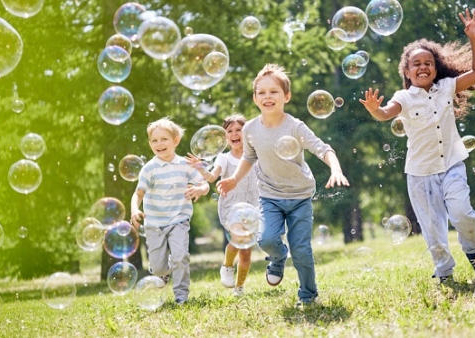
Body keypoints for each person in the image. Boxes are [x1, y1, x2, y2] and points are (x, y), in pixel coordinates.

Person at [359, 9, 475, 284]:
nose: (423, 67)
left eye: (428, 62)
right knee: (433, 230)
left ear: (436, 67)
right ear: (406, 71)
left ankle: (474, 254)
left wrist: (474, 39)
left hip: (452, 164)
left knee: (463, 214)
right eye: (416, 63)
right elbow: (386, 113)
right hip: (420, 174)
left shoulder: (446, 87)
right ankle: (444, 271)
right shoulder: (404, 97)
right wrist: (375, 109)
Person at [217, 63, 350, 307]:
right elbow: (249, 157)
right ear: (255, 98)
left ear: (286, 96)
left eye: (274, 91)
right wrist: (234, 179)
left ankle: (308, 296)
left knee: (302, 251)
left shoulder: (295, 126)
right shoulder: (250, 129)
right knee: (266, 239)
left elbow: (323, 148)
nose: (268, 96)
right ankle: (278, 257)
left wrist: (336, 168)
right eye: (262, 92)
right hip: (270, 196)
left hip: (299, 196)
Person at [131, 117, 210, 305]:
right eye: (154, 140)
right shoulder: (149, 169)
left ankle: (181, 295)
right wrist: (135, 209)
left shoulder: (185, 164)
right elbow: (138, 193)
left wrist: (200, 189)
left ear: (175, 141)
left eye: (164, 139)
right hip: (154, 223)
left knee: (180, 256)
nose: (159, 144)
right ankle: (163, 274)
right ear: (150, 143)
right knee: (158, 268)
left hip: (179, 220)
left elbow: (204, 183)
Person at [186, 114, 259, 297]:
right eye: (230, 131)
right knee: (237, 239)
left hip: (253, 206)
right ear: (225, 137)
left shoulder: (256, 155)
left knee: (246, 252)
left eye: (238, 130)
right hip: (231, 206)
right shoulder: (223, 159)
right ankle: (227, 266)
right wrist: (200, 168)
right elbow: (211, 177)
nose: (234, 134)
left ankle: (239, 287)